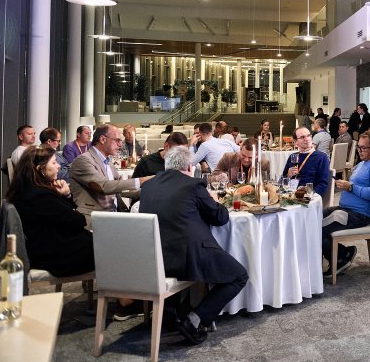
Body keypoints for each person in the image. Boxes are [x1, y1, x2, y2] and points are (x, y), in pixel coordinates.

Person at [139, 146, 249, 345]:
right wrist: (214, 200)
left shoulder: (148, 186)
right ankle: (195, 319)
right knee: (239, 276)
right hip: (187, 257)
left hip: (154, 258)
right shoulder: (193, 185)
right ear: (189, 167)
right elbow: (220, 218)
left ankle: (170, 312)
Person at [7, 146, 94, 277]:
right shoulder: (39, 195)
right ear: (40, 169)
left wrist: (66, 195)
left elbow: (65, 216)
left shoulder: (27, 189)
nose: (58, 166)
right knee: (111, 248)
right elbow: (78, 220)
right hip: (54, 254)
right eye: (53, 163)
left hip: (46, 246)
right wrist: (66, 198)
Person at [323, 131, 370, 276]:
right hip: (347, 209)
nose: (359, 150)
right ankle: (342, 253)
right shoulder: (362, 164)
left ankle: (341, 257)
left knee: (318, 228)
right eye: (358, 147)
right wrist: (346, 185)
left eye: (363, 148)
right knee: (315, 218)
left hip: (359, 214)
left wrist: (351, 187)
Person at [69, 125, 151, 228]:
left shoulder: (108, 162)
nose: (120, 144)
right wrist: (141, 180)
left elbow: (121, 189)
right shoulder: (83, 160)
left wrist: (152, 190)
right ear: (103, 139)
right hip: (93, 220)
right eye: (117, 140)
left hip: (113, 216)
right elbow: (104, 186)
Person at [281, 126, 331, 195]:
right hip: (289, 194)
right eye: (302, 137)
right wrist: (288, 175)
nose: (306, 139)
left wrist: (308, 194)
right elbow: (282, 181)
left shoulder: (321, 157)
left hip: (308, 196)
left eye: (308, 136)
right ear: (295, 142)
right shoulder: (293, 156)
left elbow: (323, 184)